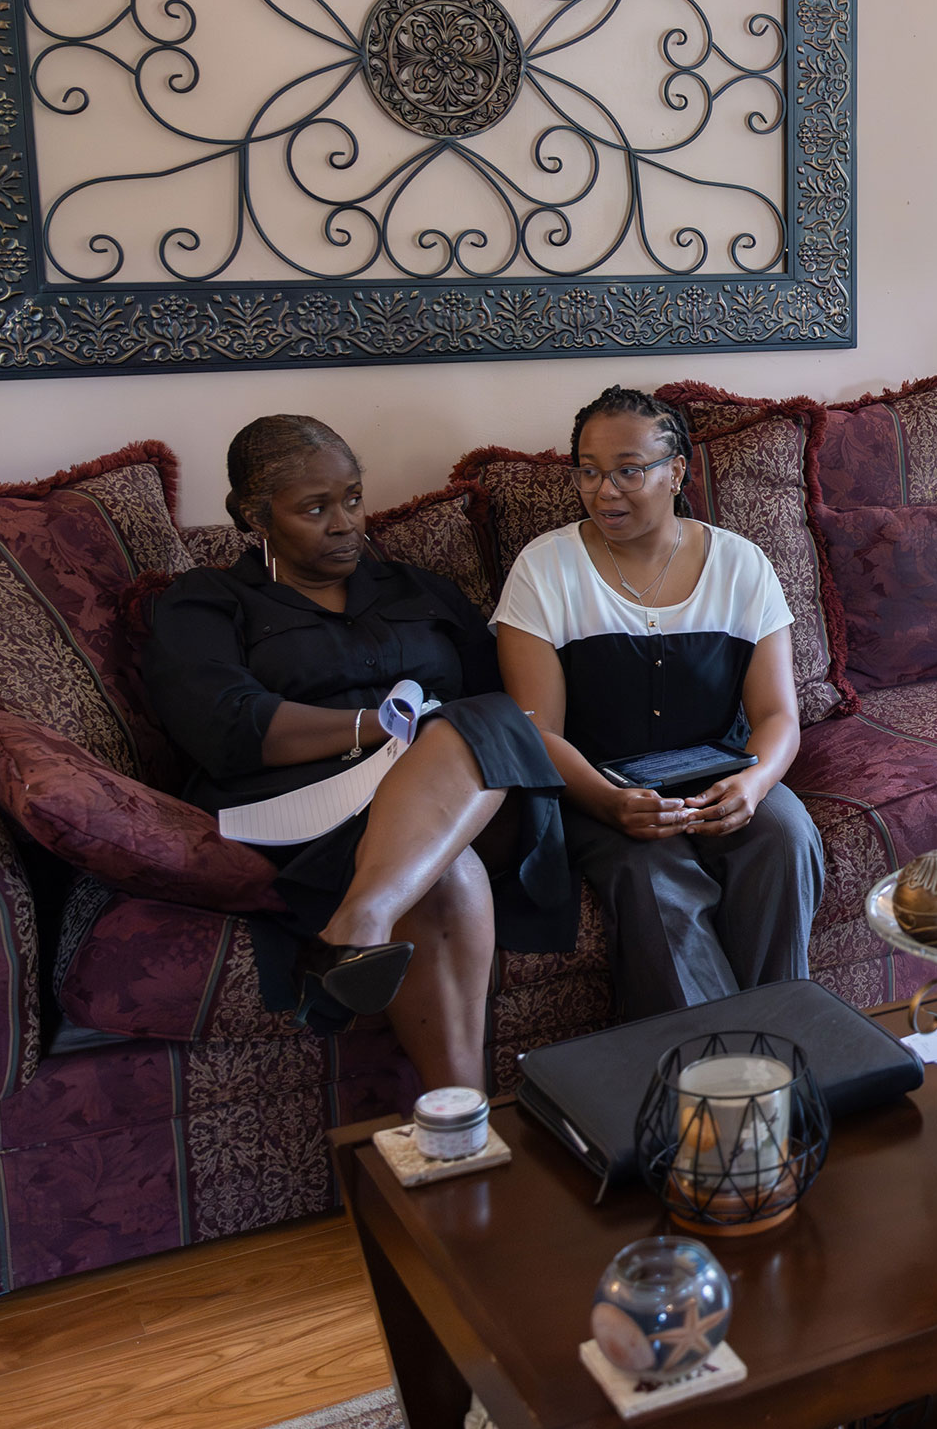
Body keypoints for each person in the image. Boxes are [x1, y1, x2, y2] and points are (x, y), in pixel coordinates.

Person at [145, 417, 573, 1094]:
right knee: (447, 874)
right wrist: (378, 726)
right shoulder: (205, 603)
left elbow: (504, 711)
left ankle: (358, 923)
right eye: (314, 508)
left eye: (352, 497)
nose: (346, 523)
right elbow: (227, 726)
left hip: (457, 799)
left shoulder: (417, 589)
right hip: (302, 812)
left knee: (479, 720)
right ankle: (463, 1120)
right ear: (253, 516)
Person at [494, 386, 823, 1017]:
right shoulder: (545, 569)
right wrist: (612, 803)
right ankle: (708, 1073)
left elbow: (779, 714)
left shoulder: (741, 565)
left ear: (677, 471)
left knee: (785, 834)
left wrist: (752, 785)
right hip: (597, 788)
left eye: (628, 470)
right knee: (652, 877)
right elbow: (536, 731)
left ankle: (781, 1037)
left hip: (723, 773)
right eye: (588, 471)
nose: (604, 489)